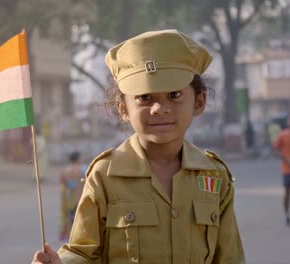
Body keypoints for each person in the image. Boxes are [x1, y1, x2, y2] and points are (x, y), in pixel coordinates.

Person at [32, 30, 245, 264]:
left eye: (174, 95)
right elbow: (84, 252)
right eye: (144, 97)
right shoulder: (105, 175)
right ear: (123, 108)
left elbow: (229, 258)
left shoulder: (215, 176)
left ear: (199, 101)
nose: (158, 108)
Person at [59, 151, 86, 241]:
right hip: (78, 194)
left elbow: (63, 185)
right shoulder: (82, 169)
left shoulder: (65, 170)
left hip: (69, 196)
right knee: (79, 216)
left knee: (70, 215)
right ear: (77, 159)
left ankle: (69, 233)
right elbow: (84, 183)